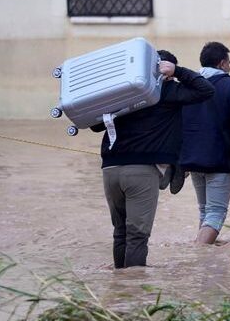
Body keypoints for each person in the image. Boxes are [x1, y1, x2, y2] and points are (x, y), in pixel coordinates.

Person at [91, 50, 214, 268]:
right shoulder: (165, 90)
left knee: (120, 232)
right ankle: (134, 293)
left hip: (110, 169)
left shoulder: (122, 92)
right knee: (137, 235)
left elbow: (95, 124)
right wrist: (179, 72)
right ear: (165, 72)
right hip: (141, 171)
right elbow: (206, 90)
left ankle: (119, 287)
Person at [180, 42, 230, 244]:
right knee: (216, 214)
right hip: (219, 159)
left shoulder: (189, 85)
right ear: (222, 63)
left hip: (192, 160)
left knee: (205, 211)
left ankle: (204, 263)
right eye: (229, 62)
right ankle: (198, 251)